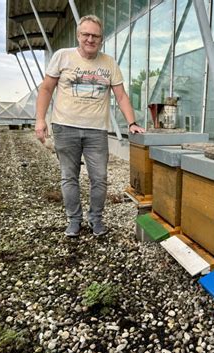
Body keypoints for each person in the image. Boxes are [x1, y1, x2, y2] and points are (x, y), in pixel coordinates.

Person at [35, 15, 145, 238]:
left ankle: (95, 218)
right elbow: (46, 89)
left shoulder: (109, 63)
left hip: (96, 131)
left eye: (95, 35)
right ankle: (74, 220)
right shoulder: (62, 57)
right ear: (78, 35)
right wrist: (40, 119)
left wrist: (132, 123)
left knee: (100, 177)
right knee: (69, 176)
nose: (90, 39)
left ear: (101, 39)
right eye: (86, 34)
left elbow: (121, 95)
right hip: (65, 127)